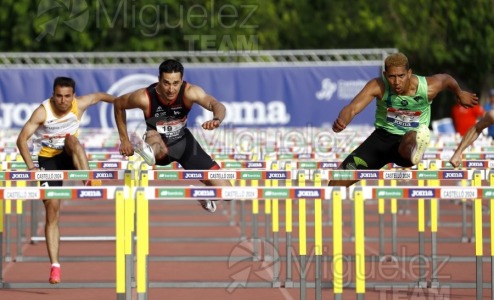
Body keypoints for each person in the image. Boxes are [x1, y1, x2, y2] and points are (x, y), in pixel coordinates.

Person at [16, 77, 115, 284]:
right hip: (48, 159)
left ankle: (88, 181)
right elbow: (21, 139)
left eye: (67, 96)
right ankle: (55, 266)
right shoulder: (43, 111)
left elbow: (101, 96)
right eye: (58, 96)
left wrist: (122, 103)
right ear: (53, 95)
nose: (62, 101)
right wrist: (32, 168)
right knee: (52, 209)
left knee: (72, 140)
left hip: (69, 155)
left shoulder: (80, 104)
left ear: (73, 96)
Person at [328, 52, 479, 187]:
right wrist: (343, 120)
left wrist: (459, 93)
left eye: (401, 76)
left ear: (409, 73)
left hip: (407, 141)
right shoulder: (378, 86)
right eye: (392, 77)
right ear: (385, 74)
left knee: (411, 136)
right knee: (335, 183)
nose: (396, 82)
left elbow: (446, 79)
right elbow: (352, 108)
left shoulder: (427, 87)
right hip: (380, 141)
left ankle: (416, 149)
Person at [114, 59, 232, 213]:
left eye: (176, 83)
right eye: (166, 83)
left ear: (181, 81)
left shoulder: (190, 92)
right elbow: (118, 104)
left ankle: (204, 195)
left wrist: (217, 119)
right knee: (154, 137)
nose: (171, 89)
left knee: (228, 192)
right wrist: (124, 140)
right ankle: (146, 150)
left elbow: (216, 105)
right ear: (159, 80)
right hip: (158, 141)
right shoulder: (144, 97)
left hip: (184, 142)